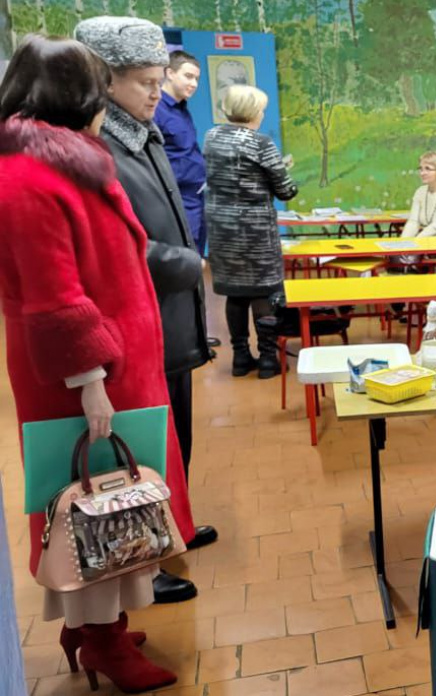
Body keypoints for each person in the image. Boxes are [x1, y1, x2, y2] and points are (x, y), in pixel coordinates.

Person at [0, 34, 195, 693]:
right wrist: (89, 385)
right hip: (84, 380)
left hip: (118, 369)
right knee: (93, 505)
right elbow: (56, 300)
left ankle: (92, 626)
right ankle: (102, 642)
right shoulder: (28, 179)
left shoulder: (65, 163)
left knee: (119, 499)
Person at [75, 16, 219, 604]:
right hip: (137, 320)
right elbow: (117, 240)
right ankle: (143, 558)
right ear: (104, 79)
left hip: (171, 317)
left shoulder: (146, 131)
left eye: (160, 80)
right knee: (139, 447)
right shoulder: (97, 146)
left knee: (173, 436)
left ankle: (174, 528)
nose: (156, 92)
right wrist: (185, 264)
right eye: (144, 82)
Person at [203, 85, 299, 379]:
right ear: (253, 111)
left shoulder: (211, 137)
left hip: (222, 229)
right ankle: (268, 359)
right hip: (255, 231)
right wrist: (281, 172)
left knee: (235, 293)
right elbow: (286, 189)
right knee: (264, 291)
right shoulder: (260, 143)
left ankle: (241, 357)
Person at [389, 151, 436, 318]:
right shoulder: (420, 192)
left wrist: (412, 245)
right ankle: (402, 300)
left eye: (428, 168)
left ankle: (416, 300)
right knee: (396, 257)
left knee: (413, 260)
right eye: (420, 168)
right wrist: (402, 244)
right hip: (426, 241)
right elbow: (413, 221)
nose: (422, 172)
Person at [154, 51, 207, 255]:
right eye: (188, 76)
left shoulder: (182, 108)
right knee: (185, 256)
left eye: (197, 79)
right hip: (177, 198)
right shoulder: (156, 109)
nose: (194, 84)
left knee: (197, 256)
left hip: (197, 196)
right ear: (170, 73)